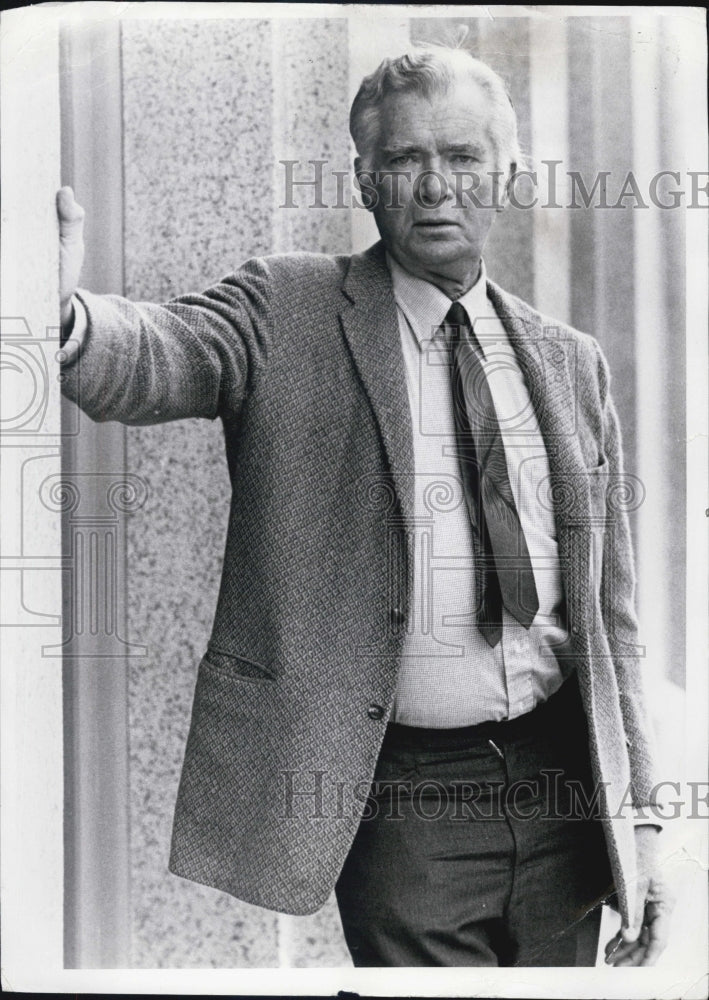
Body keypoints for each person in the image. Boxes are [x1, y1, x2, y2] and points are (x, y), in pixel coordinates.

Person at [56, 44, 673, 967]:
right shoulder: (287, 308)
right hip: (407, 803)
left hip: (564, 793)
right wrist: (55, 308)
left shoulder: (567, 361)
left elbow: (608, 620)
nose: (434, 186)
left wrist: (646, 832)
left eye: (462, 158)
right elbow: (158, 354)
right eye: (402, 160)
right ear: (363, 178)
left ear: (504, 175)